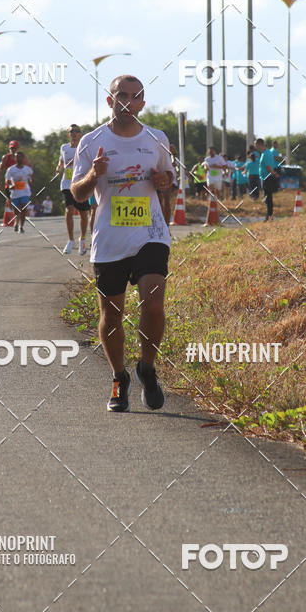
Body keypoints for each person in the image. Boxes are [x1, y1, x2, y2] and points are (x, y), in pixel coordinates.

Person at [71, 74, 174, 413]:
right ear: (110, 100)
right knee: (111, 316)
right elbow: (78, 194)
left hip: (150, 233)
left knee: (153, 303)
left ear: (143, 103)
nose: (128, 102)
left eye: (136, 97)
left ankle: (147, 366)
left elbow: (169, 179)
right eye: (122, 96)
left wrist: (164, 181)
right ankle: (119, 377)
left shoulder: (156, 139)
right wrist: (93, 175)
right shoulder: (91, 141)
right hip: (110, 239)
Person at [56, 124, 90, 255]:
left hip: (80, 183)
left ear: (80, 134)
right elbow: (61, 162)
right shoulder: (64, 147)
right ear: (68, 134)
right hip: (66, 183)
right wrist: (58, 168)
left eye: (76, 131)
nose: (74, 133)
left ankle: (82, 240)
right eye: (71, 131)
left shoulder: (84, 147)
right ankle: (71, 240)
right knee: (69, 209)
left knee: (83, 213)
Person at [5, 151, 34, 233]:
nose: (19, 158)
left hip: (25, 192)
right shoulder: (11, 169)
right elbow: (7, 180)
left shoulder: (27, 169)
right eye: (17, 157)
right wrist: (11, 186)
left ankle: (21, 226)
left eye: (21, 157)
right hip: (15, 193)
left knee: (24, 209)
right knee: (16, 211)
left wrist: (31, 179)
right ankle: (16, 223)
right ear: (15, 158)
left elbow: (31, 177)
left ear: (23, 158)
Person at [256, 137, 279, 222]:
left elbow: (269, 166)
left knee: (268, 198)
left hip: (267, 178)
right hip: (265, 177)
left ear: (260, 145)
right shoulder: (265, 153)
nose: (256, 148)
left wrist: (274, 174)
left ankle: (269, 216)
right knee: (267, 197)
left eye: (257, 146)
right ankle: (269, 215)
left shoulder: (266, 154)